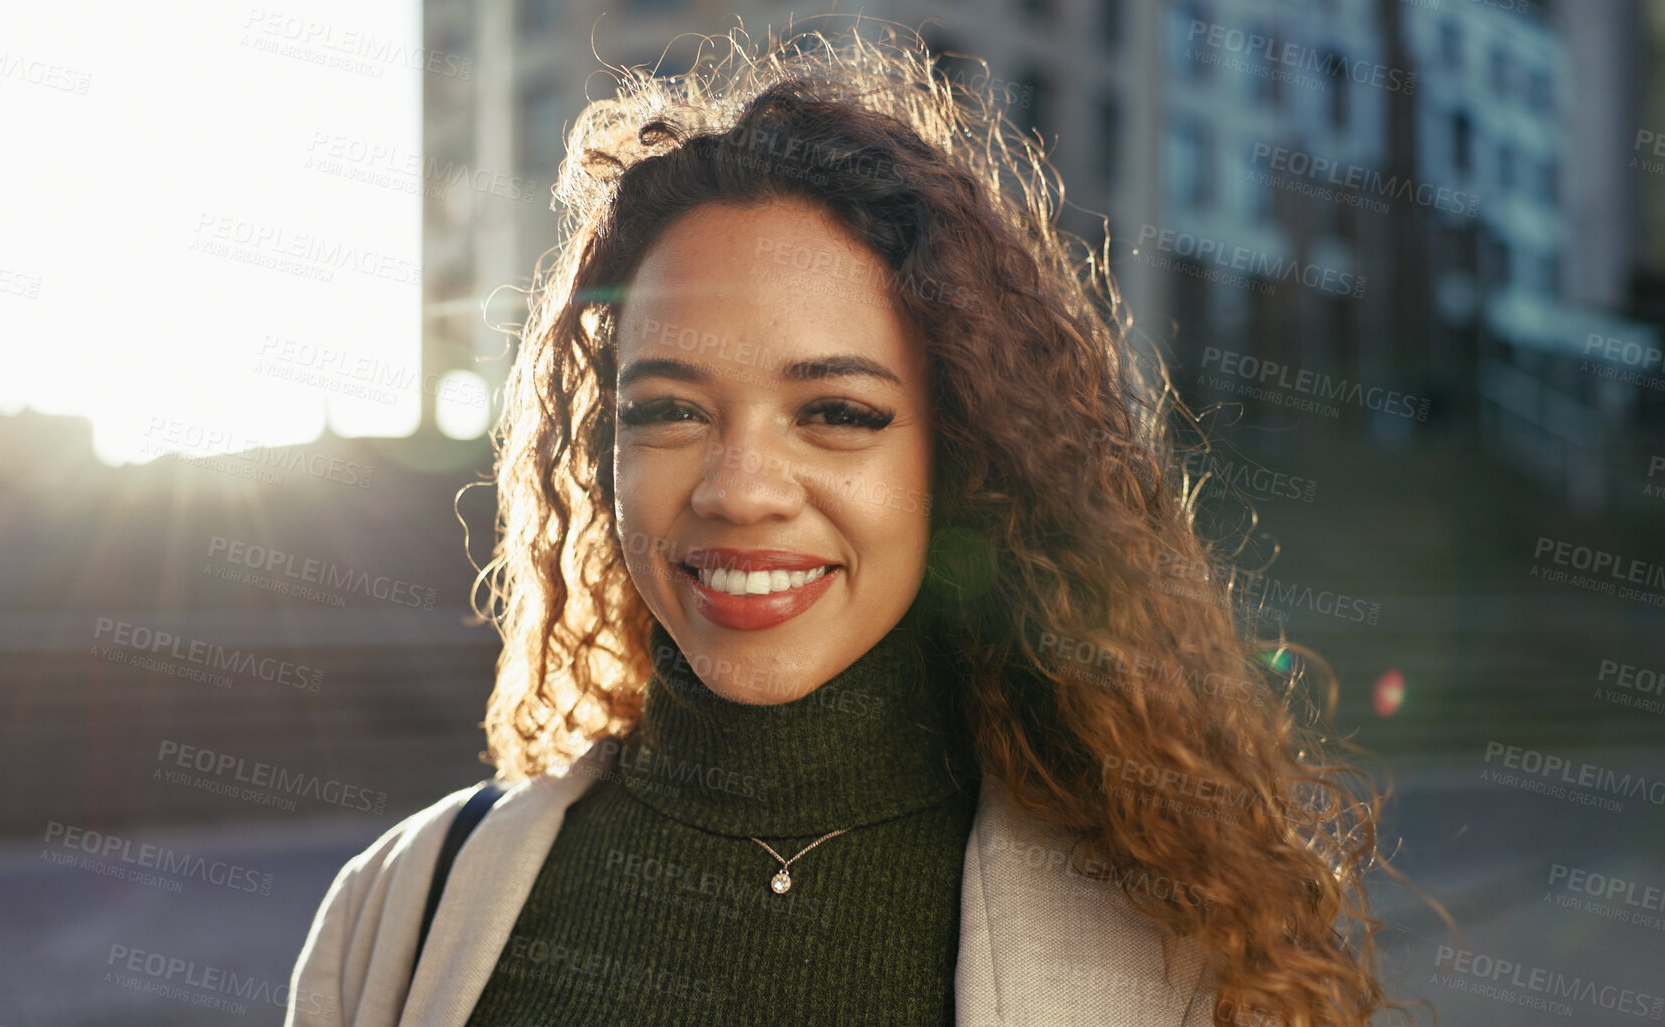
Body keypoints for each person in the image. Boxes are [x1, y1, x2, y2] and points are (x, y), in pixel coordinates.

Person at [287, 23, 1408, 1027]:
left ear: (959, 456)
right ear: (603, 451)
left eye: (836, 413)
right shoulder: (397, 911)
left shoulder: (1180, 951)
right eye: (669, 409)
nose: (740, 487)